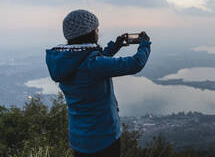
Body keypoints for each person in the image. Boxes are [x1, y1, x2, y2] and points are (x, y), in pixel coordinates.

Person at [45, 9, 151, 157]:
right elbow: (135, 64)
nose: (98, 32)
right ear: (90, 32)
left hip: (79, 140)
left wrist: (116, 46)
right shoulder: (92, 65)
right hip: (103, 140)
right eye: (97, 29)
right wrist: (145, 45)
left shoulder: (65, 60)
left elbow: (93, 62)